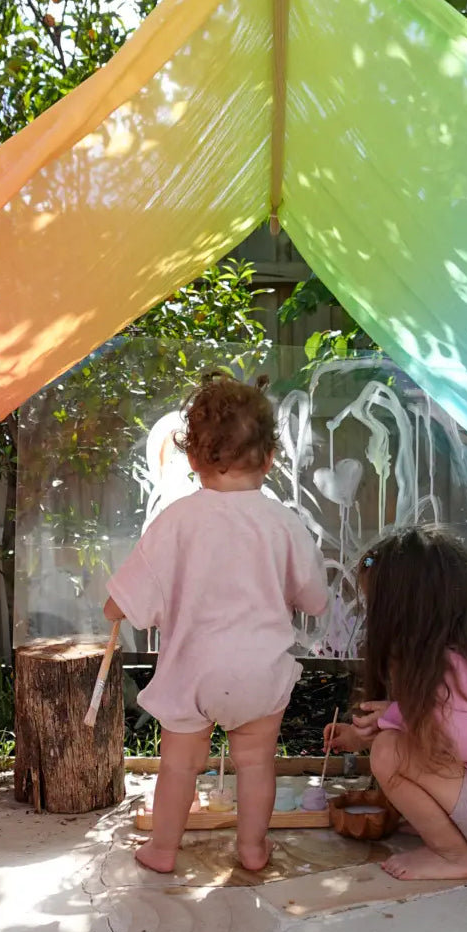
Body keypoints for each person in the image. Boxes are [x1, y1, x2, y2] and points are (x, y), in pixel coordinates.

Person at [105, 373, 328, 873]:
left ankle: (163, 850)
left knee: (179, 765)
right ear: (270, 458)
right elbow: (315, 599)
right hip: (259, 673)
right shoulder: (283, 522)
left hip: (192, 672)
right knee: (255, 764)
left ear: (192, 459)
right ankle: (251, 849)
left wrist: (116, 607)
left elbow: (123, 599)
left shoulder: (177, 520)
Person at [324, 526, 467, 881]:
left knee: (390, 751)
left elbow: (459, 739)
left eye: (378, 606)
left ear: (407, 609)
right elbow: (431, 729)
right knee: (390, 744)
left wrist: (393, 718)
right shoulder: (444, 656)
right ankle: (443, 828)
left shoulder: (457, 665)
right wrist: (362, 734)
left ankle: (452, 856)